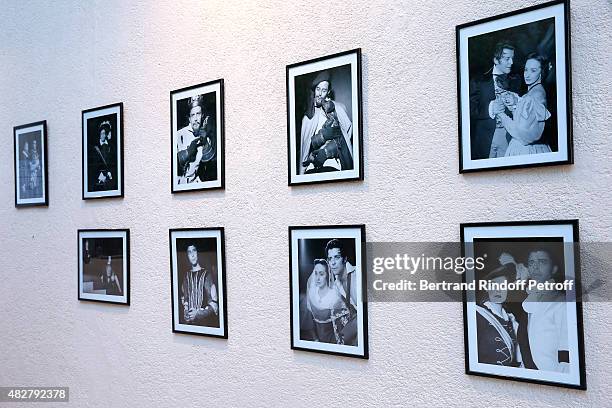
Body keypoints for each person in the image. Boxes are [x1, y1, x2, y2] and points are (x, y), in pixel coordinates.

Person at [469, 42, 521, 159]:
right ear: (496, 60)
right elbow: (469, 110)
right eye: (507, 59)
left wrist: (516, 102)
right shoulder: (478, 81)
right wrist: (490, 108)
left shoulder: (516, 80)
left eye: (512, 58)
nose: (511, 63)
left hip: (510, 139)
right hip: (484, 140)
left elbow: (526, 112)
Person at [521, 246, 570, 373]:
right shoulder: (529, 299)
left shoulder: (561, 302)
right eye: (531, 262)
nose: (535, 267)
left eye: (542, 262)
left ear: (554, 269)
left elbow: (567, 349)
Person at [493, 54, 553, 156]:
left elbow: (523, 135)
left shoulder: (535, 95)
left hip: (526, 151)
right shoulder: (533, 92)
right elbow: (527, 122)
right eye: (526, 70)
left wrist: (501, 114)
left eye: (533, 70)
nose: (527, 75)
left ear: (541, 72)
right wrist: (515, 104)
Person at [299, 72, 353, 174]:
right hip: (312, 166)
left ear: (328, 92)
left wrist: (328, 151)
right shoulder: (307, 117)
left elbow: (347, 135)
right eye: (318, 89)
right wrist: (320, 139)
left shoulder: (338, 108)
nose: (319, 94)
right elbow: (305, 148)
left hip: (331, 163)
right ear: (314, 90)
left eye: (323, 90)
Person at [476, 264, 522, 367]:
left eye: (503, 286)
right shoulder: (477, 315)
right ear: (486, 287)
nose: (498, 290)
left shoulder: (511, 320)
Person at [176, 96, 216, 184]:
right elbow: (171, 166)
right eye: (193, 115)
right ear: (189, 119)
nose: (195, 118)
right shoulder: (179, 134)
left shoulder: (206, 138)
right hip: (179, 184)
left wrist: (205, 142)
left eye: (198, 114)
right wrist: (188, 152)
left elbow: (209, 166)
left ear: (202, 116)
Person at [325, 239, 358, 346]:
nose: (333, 263)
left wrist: (351, 328)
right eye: (330, 259)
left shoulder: (358, 274)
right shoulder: (336, 285)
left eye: (337, 257)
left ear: (345, 259)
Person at [305, 259, 346, 344]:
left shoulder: (334, 295)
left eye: (321, 274)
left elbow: (341, 324)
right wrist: (315, 339)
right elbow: (309, 319)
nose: (317, 278)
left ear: (327, 275)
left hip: (332, 338)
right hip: (315, 338)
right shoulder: (312, 292)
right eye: (316, 273)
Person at [180, 244, 219, 327]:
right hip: (189, 326)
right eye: (189, 252)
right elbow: (184, 298)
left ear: (198, 253)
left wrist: (198, 314)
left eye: (194, 250)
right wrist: (186, 313)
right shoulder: (186, 276)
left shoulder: (206, 275)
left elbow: (214, 304)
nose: (192, 255)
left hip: (204, 325)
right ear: (187, 256)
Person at [90, 120, 117, 191]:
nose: (103, 135)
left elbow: (114, 163)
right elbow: (92, 166)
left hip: (110, 177)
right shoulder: (95, 148)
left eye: (105, 133)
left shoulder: (111, 146)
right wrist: (100, 176)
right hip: (98, 178)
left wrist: (110, 173)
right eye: (101, 133)